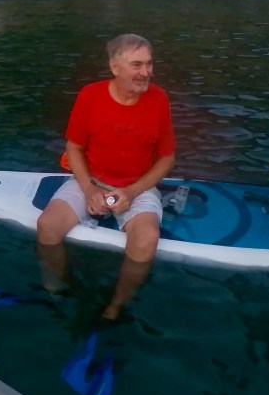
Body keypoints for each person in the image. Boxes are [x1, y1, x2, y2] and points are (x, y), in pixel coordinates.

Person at [36, 34, 176, 321]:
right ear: (114, 67)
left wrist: (132, 192)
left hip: (137, 186)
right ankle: (54, 288)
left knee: (147, 239)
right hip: (91, 180)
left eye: (149, 64)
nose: (146, 72)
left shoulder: (159, 98)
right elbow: (74, 147)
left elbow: (167, 158)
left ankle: (115, 307)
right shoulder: (90, 96)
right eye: (137, 65)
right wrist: (88, 190)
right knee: (47, 226)